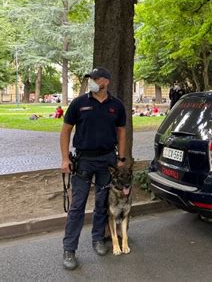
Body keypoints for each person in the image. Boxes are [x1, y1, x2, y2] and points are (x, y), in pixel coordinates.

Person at [60, 67, 127, 271]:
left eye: (94, 78)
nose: (91, 81)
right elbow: (65, 132)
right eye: (90, 79)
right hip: (83, 161)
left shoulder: (117, 105)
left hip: (107, 160)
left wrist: (121, 159)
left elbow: (122, 133)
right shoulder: (79, 103)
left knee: (101, 203)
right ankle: (69, 249)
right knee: (77, 205)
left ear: (105, 81)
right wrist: (65, 159)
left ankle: (98, 239)